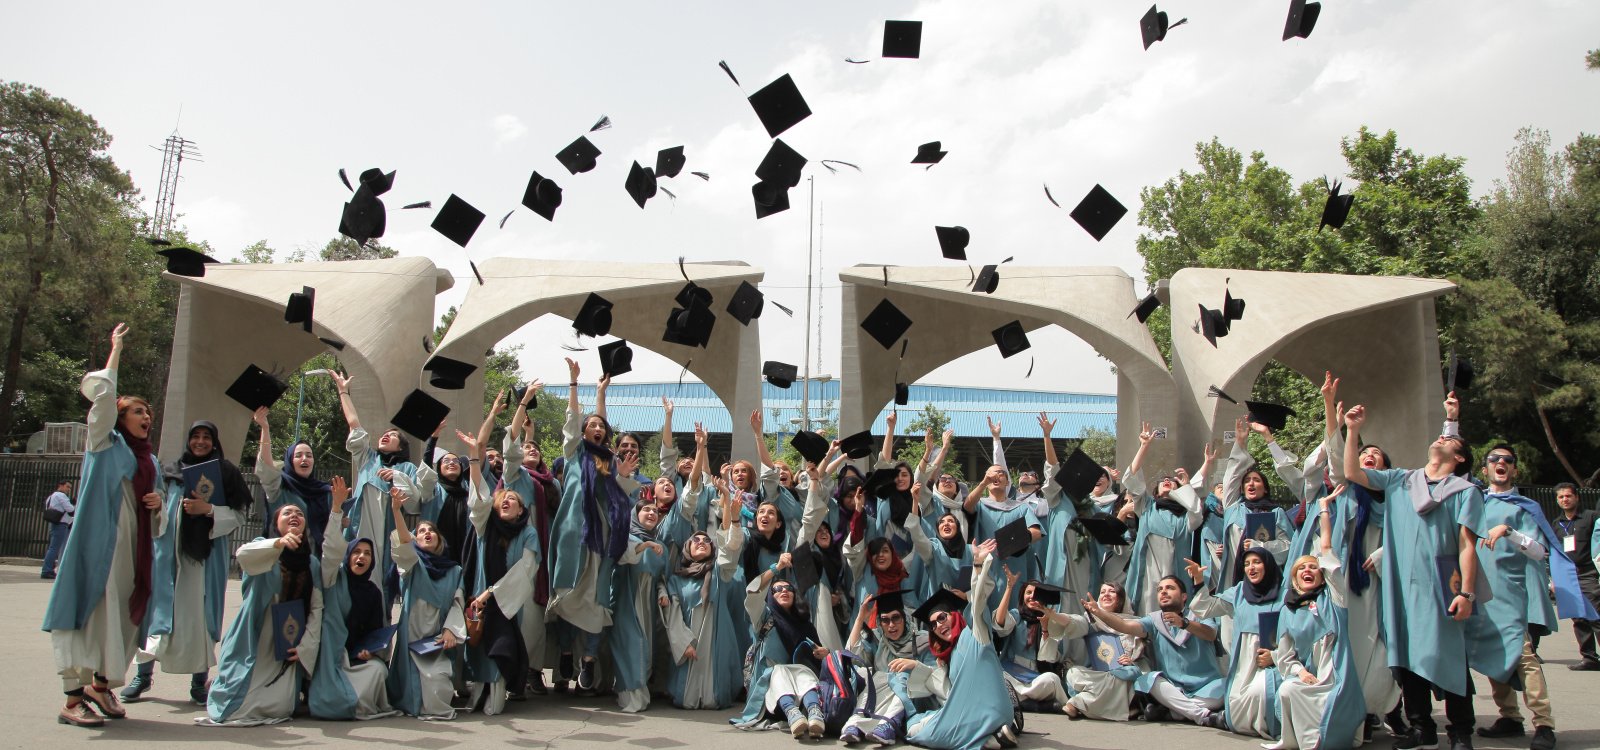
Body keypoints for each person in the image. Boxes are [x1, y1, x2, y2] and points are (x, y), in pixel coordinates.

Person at [1343, 402, 1485, 750]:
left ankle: (1460, 730)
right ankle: (1422, 728)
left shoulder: (1464, 491)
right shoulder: (1401, 480)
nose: (1440, 438)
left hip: (1440, 584)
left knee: (1449, 656)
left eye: (1449, 440)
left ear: (1460, 458)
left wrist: (1466, 594)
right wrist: (1353, 430)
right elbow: (1352, 473)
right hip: (1399, 585)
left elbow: (1467, 546)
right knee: (1405, 658)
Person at [42, 324, 163, 728]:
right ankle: (72, 700)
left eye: (148, 412)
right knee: (90, 615)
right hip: (98, 548)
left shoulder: (149, 461)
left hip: (131, 552)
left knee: (122, 618)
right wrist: (116, 351)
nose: (146, 417)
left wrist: (158, 504)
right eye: (138, 411)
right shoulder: (103, 443)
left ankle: (100, 685)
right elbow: (104, 400)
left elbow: (159, 513)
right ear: (119, 417)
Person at [1472, 444, 1591, 750]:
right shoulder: (1473, 501)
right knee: (1492, 653)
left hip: (1512, 592)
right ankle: (1509, 716)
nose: (1501, 462)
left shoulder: (1525, 507)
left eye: (1507, 460)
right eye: (1494, 459)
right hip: (1481, 592)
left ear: (1514, 469)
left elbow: (1540, 551)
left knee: (1524, 656)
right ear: (1484, 469)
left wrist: (1509, 532)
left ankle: (1544, 723)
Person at [126, 417, 253, 704]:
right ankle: (143, 676)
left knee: (201, 619)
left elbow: (239, 515)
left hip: (204, 559)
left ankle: (198, 682)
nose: (200, 442)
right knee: (157, 614)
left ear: (214, 442)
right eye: (196, 436)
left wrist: (209, 509)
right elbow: (157, 504)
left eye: (207, 437)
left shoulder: (226, 473)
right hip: (169, 555)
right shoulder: (170, 470)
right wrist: (157, 505)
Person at [200, 491, 337, 726]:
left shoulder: (311, 562)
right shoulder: (263, 548)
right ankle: (219, 686)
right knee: (238, 706)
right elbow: (243, 556)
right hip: (258, 634)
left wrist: (306, 646)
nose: (294, 516)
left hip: (286, 639)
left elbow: (316, 606)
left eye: (299, 514)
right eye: (287, 513)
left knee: (281, 706)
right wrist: (278, 544)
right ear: (276, 524)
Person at [548, 359, 639, 694]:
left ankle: (587, 659)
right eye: (592, 426)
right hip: (574, 534)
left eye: (602, 427)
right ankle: (566, 652)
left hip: (603, 538)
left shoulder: (609, 461)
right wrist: (574, 383)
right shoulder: (574, 452)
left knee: (597, 599)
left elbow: (621, 495)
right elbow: (573, 420)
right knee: (566, 594)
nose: (597, 428)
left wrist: (602, 394)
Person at [460, 392, 542, 716]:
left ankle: (497, 691)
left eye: (514, 499)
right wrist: (474, 457)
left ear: (522, 508)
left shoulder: (528, 532)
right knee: (479, 643)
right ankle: (477, 692)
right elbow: (478, 495)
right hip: (480, 595)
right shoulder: (486, 525)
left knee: (501, 644)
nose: (507, 500)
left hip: (506, 601)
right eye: (502, 498)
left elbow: (526, 569)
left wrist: (492, 593)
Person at [901, 541, 1016, 750]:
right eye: (933, 624)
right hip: (989, 715)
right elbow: (948, 693)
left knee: (923, 732)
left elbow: (978, 603)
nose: (939, 625)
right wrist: (916, 666)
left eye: (942, 617)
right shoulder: (949, 656)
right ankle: (992, 737)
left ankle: (986, 738)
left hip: (986, 712)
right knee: (921, 722)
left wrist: (978, 565)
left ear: (954, 615)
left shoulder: (975, 635)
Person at [330, 369, 427, 605]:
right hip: (359, 526)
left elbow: (414, 504)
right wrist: (343, 392)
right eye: (384, 434)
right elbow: (354, 425)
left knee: (381, 584)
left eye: (392, 435)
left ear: (401, 446)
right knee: (352, 575)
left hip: (386, 532)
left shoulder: (407, 468)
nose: (385, 436)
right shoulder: (368, 459)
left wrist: (397, 476)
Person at [1088, 575, 1224, 727]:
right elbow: (1125, 626)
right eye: (1160, 589)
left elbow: (1210, 634)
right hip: (1172, 688)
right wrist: (1099, 613)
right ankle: (1201, 715)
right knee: (1148, 679)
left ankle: (1175, 711)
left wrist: (1184, 623)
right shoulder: (1154, 620)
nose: (1163, 592)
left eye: (1170, 588)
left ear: (1184, 596)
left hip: (1206, 686)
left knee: (1226, 687)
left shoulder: (1199, 614)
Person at [387, 483, 467, 720]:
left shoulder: (454, 571)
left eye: (431, 531)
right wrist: (396, 511)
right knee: (411, 685)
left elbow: (457, 603)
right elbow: (404, 544)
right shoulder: (414, 565)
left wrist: (450, 630)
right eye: (421, 531)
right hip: (411, 636)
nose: (427, 533)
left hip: (435, 639)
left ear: (440, 539)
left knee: (437, 683)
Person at [1185, 547, 1284, 737]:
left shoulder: (1284, 594)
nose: (1251, 567)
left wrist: (1276, 656)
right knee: (1237, 702)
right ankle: (1235, 721)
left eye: (1257, 562)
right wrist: (1198, 579)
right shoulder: (1239, 592)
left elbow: (1294, 633)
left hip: (1271, 661)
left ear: (1268, 565)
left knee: (1260, 691)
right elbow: (1206, 608)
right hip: (1245, 659)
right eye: (1247, 564)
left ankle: (1268, 726)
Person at [665, 477, 745, 710]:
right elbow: (673, 615)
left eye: (706, 540)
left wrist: (732, 512)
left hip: (716, 635)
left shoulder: (719, 572)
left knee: (713, 698)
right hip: (689, 637)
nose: (701, 542)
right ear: (687, 549)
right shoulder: (677, 578)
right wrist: (683, 643)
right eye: (695, 540)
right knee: (686, 699)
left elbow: (730, 548)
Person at [308, 528, 400, 721]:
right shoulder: (335, 581)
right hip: (331, 653)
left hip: (356, 656)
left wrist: (368, 651)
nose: (361, 557)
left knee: (378, 670)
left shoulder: (373, 592)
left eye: (367, 553)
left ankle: (355, 705)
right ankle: (340, 702)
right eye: (356, 552)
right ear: (348, 556)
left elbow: (374, 632)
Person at [253, 407, 334, 556]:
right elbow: (266, 466)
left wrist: (340, 517)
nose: (304, 459)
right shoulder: (279, 487)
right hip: (280, 559)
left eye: (309, 455)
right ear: (290, 461)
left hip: (312, 560)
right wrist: (265, 428)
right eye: (298, 455)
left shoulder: (324, 492)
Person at [1058, 583, 1145, 722]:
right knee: (1074, 673)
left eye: (1112, 591)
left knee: (1118, 678)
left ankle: (1078, 703)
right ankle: (1121, 708)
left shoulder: (1134, 623)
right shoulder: (1092, 621)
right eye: (1103, 592)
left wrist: (1131, 662)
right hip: (1098, 674)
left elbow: (1142, 659)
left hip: (1122, 674)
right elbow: (1076, 623)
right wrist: (1056, 617)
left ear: (1121, 598)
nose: (1106, 594)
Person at [1550, 482, 1600, 670]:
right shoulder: (1556, 524)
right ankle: (1589, 658)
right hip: (1567, 576)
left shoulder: (1591, 517)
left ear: (1576, 497)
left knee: (1596, 615)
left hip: (1589, 573)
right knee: (1578, 618)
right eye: (1561, 497)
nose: (1565, 499)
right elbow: (1554, 553)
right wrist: (1554, 579)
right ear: (1557, 500)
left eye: (1568, 496)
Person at [41, 478, 75, 579]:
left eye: (70, 488)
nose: (69, 489)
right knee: (54, 548)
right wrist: (73, 505)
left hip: (54, 523)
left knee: (52, 548)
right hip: (60, 524)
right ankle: (47, 571)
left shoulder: (52, 496)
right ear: (60, 485)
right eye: (67, 487)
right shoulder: (61, 496)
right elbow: (71, 510)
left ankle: (49, 569)